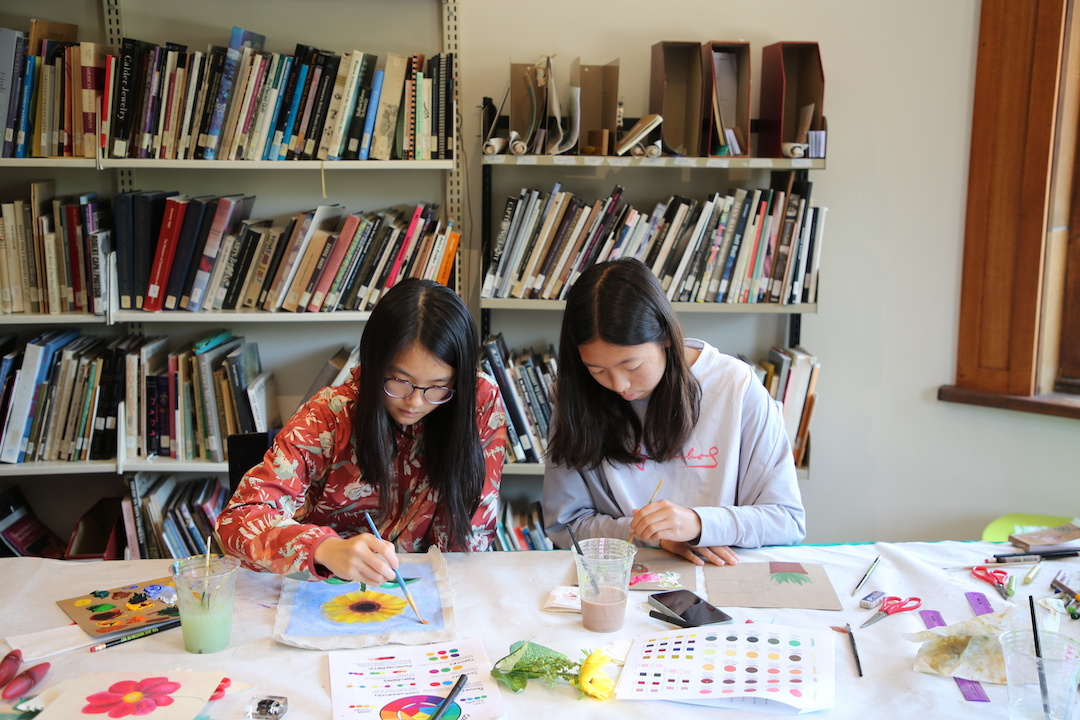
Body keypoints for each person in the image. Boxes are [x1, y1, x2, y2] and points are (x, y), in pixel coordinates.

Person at [217, 279, 507, 584]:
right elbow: (236, 521)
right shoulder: (331, 414)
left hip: (425, 587)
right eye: (399, 380)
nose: (415, 401)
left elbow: (473, 529)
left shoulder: (478, 400)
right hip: (329, 587)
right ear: (374, 363)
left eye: (438, 387)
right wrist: (325, 548)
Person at [543, 258, 805, 566]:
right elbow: (565, 525)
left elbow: (787, 520)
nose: (619, 385)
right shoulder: (575, 395)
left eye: (632, 366)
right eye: (597, 369)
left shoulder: (736, 387)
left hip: (723, 574)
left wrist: (698, 524)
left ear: (666, 336)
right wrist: (650, 534)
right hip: (624, 572)